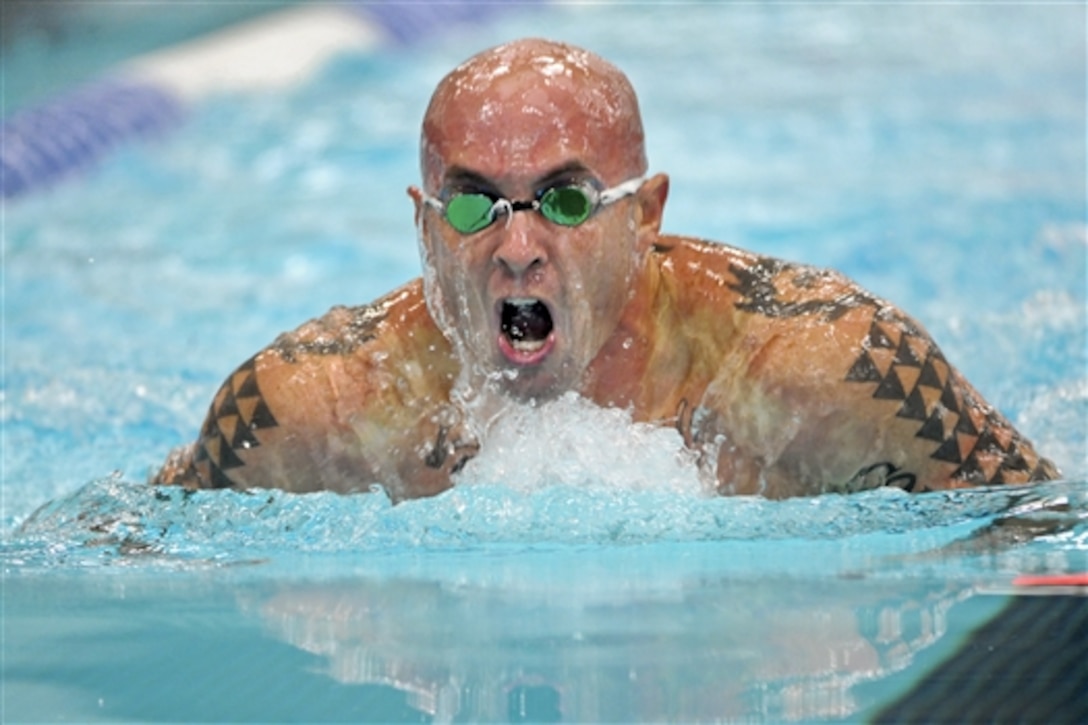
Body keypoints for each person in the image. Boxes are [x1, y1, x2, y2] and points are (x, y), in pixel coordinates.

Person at [152, 38, 1059, 502]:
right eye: (471, 205)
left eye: (568, 201)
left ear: (647, 214)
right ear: (424, 231)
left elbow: (1046, 532)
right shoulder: (314, 407)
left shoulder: (824, 370)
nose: (515, 248)